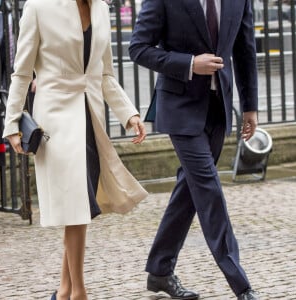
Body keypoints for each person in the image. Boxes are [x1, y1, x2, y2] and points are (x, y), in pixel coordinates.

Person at [3, 0, 148, 299]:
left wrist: (129, 114)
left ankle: (64, 289)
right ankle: (79, 292)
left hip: (89, 120)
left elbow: (104, 74)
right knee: (76, 206)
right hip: (55, 123)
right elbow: (22, 73)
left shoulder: (100, 10)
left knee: (79, 206)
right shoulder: (39, 7)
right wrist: (12, 123)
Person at [129, 0, 260, 299]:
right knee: (208, 190)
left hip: (218, 109)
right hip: (179, 108)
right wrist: (189, 64)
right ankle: (241, 284)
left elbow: (244, 48)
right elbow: (138, 48)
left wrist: (250, 105)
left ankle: (160, 271)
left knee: (188, 192)